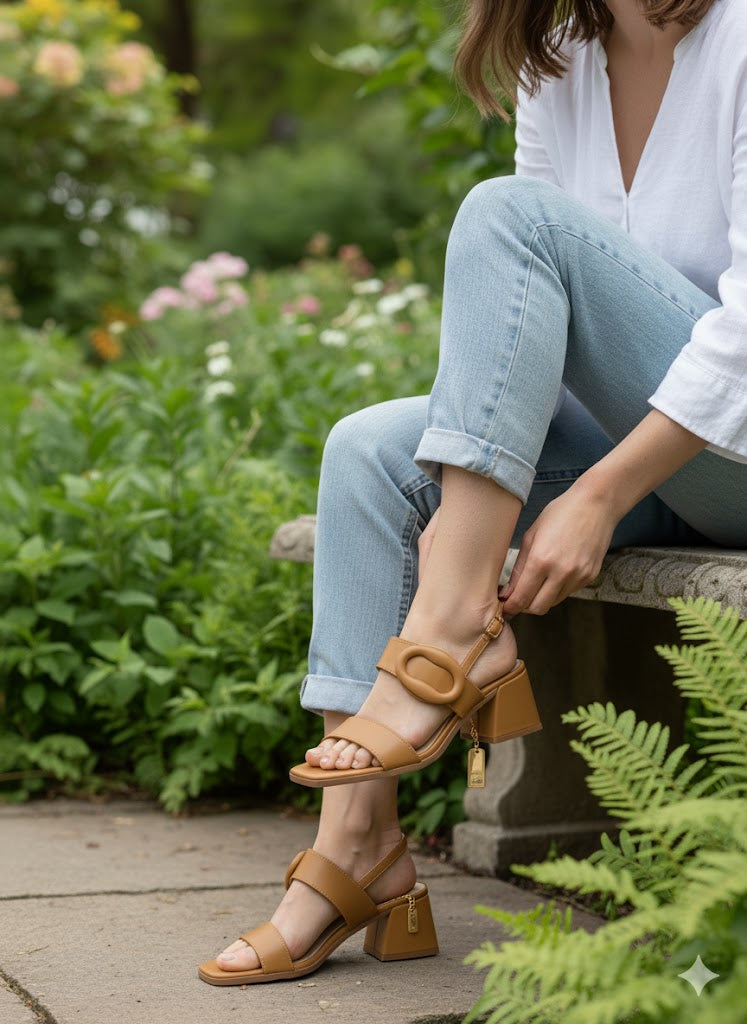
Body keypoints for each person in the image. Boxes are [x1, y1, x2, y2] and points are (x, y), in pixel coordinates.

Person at [198, 0, 747, 985]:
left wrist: (597, 494)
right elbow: (531, 330)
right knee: (368, 451)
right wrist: (485, 494)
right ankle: (358, 846)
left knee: (507, 212)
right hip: (633, 436)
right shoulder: (560, 54)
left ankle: (447, 630)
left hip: (728, 451)